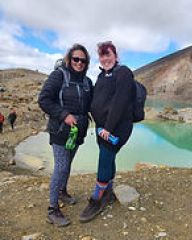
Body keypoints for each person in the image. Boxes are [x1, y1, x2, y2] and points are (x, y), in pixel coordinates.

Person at [80, 41, 136, 222]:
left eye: (108, 55)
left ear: (116, 56)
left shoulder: (124, 73)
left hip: (116, 128)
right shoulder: (102, 75)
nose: (105, 59)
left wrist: (108, 128)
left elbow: (120, 102)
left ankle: (97, 199)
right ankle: (108, 192)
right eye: (102, 55)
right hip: (101, 127)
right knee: (108, 156)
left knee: (104, 157)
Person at [38, 43, 93, 227]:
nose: (79, 63)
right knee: (61, 167)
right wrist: (64, 115)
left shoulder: (87, 82)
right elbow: (44, 100)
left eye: (83, 60)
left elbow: (93, 105)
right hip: (60, 131)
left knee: (67, 164)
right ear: (69, 59)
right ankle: (52, 209)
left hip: (77, 133)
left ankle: (62, 191)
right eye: (76, 59)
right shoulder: (59, 75)